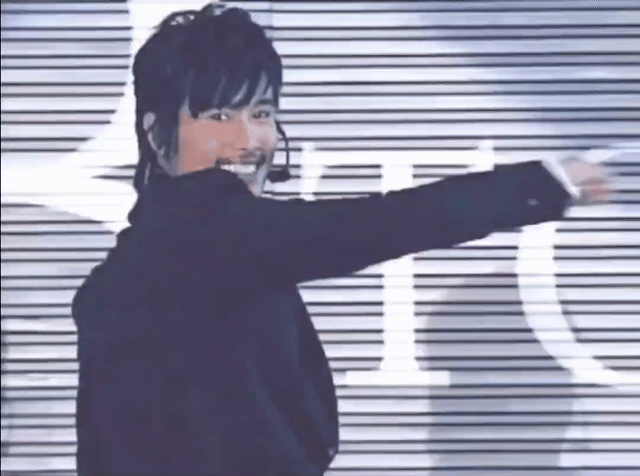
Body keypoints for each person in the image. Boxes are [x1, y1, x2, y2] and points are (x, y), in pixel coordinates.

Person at [71, 4, 612, 475]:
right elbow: (390, 222)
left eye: (261, 113)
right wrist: (547, 184)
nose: (248, 139)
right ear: (156, 132)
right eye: (217, 115)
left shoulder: (119, 278)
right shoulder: (211, 239)